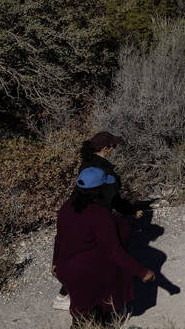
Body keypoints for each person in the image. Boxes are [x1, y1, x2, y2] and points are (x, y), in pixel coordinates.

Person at [53, 167, 154, 326]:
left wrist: (55, 262)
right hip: (87, 276)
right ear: (99, 190)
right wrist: (141, 272)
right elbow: (114, 252)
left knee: (85, 314)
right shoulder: (100, 216)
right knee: (84, 321)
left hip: (66, 270)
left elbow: (59, 238)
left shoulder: (66, 207)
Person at [54, 131, 142, 311]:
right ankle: (106, 299)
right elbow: (113, 198)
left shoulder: (85, 164)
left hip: (77, 212)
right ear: (105, 148)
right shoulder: (104, 170)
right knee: (105, 256)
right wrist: (131, 210)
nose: (114, 149)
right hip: (97, 218)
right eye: (113, 146)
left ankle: (63, 295)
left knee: (78, 255)